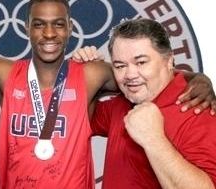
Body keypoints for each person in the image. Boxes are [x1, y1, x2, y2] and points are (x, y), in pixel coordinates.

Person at [0, 0, 215, 188]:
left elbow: (145, 74)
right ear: (27, 28)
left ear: (70, 28)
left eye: (58, 24)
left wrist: (198, 78)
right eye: (39, 24)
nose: (49, 32)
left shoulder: (93, 74)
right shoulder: (3, 71)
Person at [90, 18, 216, 188]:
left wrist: (153, 139)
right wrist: (85, 66)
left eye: (141, 62)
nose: (130, 74)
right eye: (120, 66)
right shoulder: (121, 104)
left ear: (169, 60)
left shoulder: (197, 109)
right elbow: (74, 115)